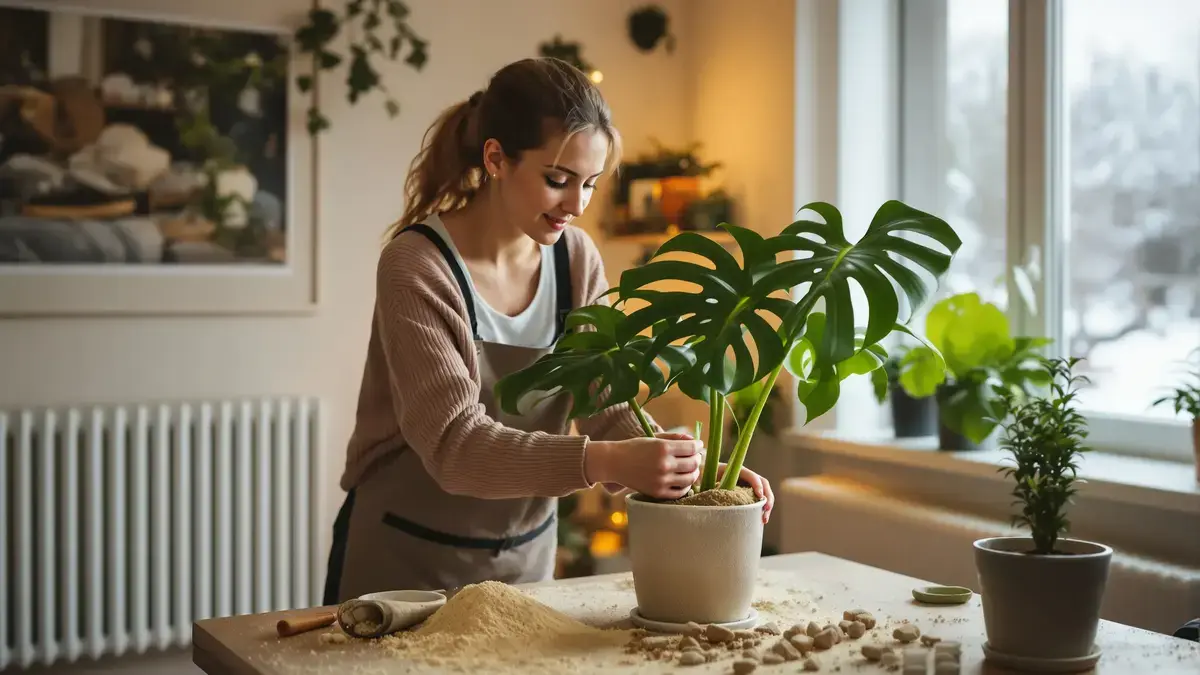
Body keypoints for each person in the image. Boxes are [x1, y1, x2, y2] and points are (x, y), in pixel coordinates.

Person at [323, 57, 775, 603]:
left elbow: (606, 405)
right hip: (404, 561)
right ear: (496, 158)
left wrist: (698, 479)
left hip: (525, 562)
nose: (577, 206)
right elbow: (454, 446)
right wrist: (602, 462)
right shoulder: (418, 265)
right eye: (558, 181)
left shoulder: (575, 260)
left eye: (589, 184)